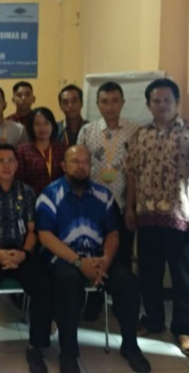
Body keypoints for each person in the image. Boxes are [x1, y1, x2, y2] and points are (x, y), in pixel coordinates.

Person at [36, 145, 151, 373]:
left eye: (85, 162)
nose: (81, 167)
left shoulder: (103, 195)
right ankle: (68, 352)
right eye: (75, 161)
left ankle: (130, 346)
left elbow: (113, 233)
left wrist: (106, 260)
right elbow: (45, 235)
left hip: (99, 259)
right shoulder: (49, 195)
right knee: (68, 282)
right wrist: (79, 262)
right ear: (63, 166)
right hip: (65, 259)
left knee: (128, 282)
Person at [125, 78, 189, 357]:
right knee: (149, 274)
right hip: (146, 217)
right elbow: (132, 173)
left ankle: (185, 329)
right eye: (156, 100)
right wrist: (130, 207)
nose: (162, 105)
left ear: (177, 102)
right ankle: (153, 320)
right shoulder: (140, 135)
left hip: (183, 217)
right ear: (148, 104)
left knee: (185, 277)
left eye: (167, 100)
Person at [0, 143, 52, 373]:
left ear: (17, 165)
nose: (6, 166)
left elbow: (33, 229)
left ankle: (36, 347)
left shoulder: (27, 192)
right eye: (1, 161)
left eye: (10, 161)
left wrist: (23, 253)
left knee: (44, 287)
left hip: (20, 253)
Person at [77, 82, 139, 266]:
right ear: (97, 104)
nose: (110, 106)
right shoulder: (87, 131)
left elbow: (136, 172)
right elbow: (79, 168)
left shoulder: (135, 131)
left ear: (123, 102)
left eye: (115, 101)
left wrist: (130, 206)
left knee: (123, 256)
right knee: (92, 253)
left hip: (123, 205)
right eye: (104, 101)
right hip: (92, 205)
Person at [16, 107, 66, 195]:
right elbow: (19, 181)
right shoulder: (22, 151)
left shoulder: (63, 149)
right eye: (37, 124)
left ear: (53, 125)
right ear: (31, 127)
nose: (42, 128)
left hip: (59, 198)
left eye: (46, 123)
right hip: (32, 198)